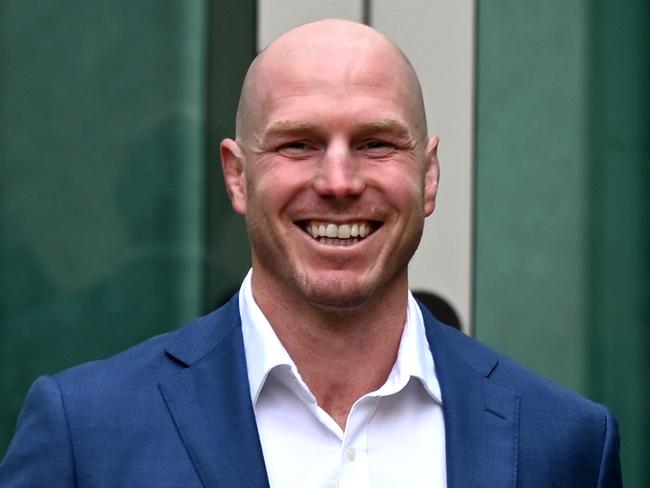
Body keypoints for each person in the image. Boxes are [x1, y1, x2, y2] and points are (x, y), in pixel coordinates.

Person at [0, 19, 621, 487]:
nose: (339, 181)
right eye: (298, 144)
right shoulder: (85, 434)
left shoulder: (565, 444)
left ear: (429, 176)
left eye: (377, 143)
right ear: (237, 177)